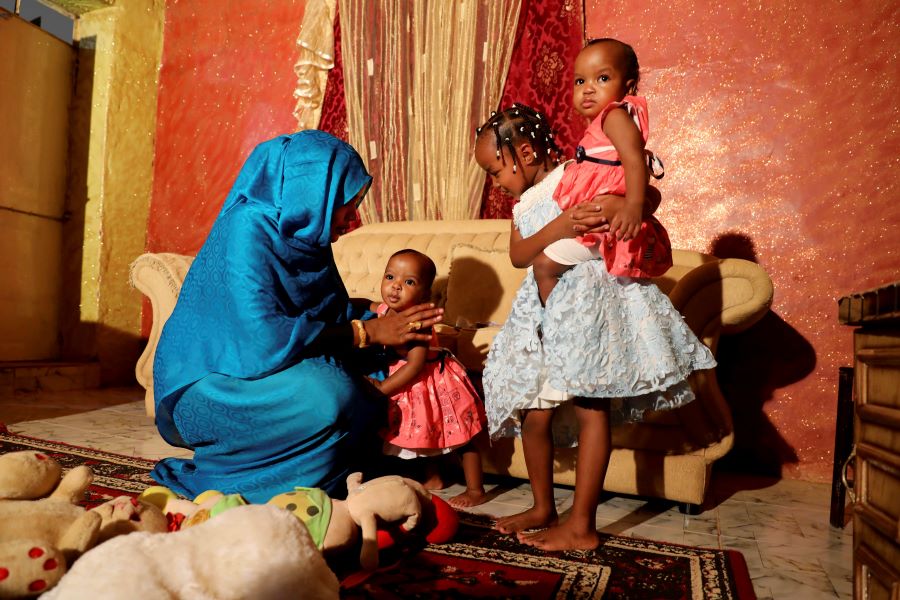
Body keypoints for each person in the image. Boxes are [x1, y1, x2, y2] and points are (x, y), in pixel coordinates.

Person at [151, 130, 444, 504]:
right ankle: (256, 484)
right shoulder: (247, 228)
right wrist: (366, 330)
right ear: (315, 192)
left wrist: (391, 318)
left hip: (264, 371)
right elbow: (262, 335)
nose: (351, 220)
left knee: (377, 369)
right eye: (346, 205)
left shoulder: (305, 236)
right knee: (331, 395)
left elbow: (325, 311)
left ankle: (327, 478)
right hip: (212, 384)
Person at [474, 103, 717, 551]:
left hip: (587, 303)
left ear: (524, 152)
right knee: (534, 412)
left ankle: (582, 525)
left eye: (495, 171)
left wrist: (624, 205)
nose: (495, 182)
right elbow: (519, 255)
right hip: (542, 314)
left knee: (591, 407)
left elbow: (637, 194)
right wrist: (562, 223)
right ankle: (544, 506)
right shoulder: (523, 203)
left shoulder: (578, 173)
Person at [531, 38, 672, 305]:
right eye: (580, 81)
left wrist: (633, 205)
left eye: (602, 78)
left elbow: (634, 160)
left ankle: (556, 321)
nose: (588, 89)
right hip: (600, 224)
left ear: (628, 86)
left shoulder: (613, 117)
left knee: (544, 265)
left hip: (610, 226)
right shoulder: (601, 125)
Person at [367, 249, 488, 509]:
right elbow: (369, 306)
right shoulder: (386, 309)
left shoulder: (418, 321)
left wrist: (382, 388)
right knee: (423, 432)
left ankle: (476, 489)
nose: (395, 286)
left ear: (423, 294)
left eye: (408, 282)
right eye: (390, 277)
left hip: (433, 381)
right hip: (409, 381)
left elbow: (415, 363)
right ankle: (433, 477)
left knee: (460, 438)